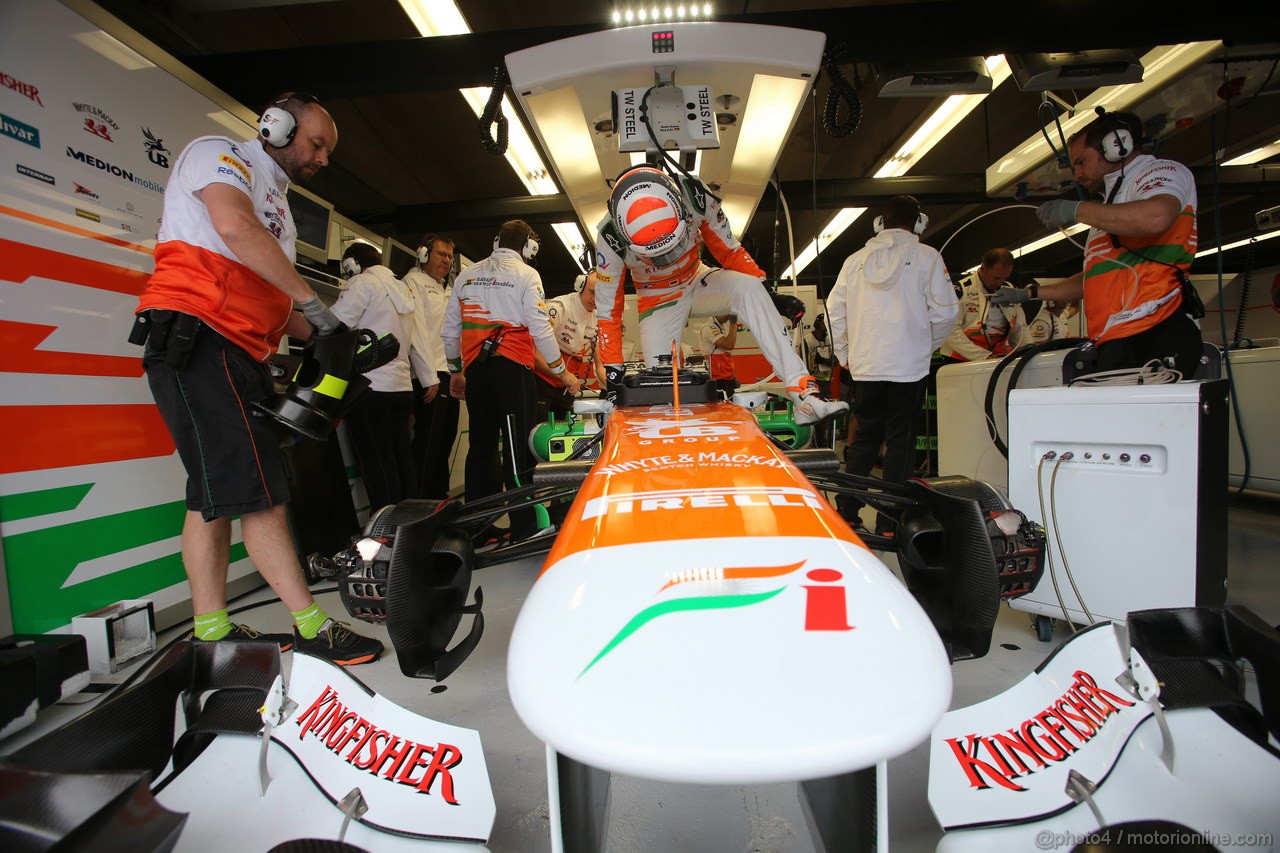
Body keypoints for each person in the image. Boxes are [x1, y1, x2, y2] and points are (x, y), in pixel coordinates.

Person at [132, 92, 382, 665]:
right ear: (278, 125)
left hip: (232, 350)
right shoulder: (222, 156)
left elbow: (270, 292)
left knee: (211, 494)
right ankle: (311, 626)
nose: (322, 157)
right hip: (199, 338)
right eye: (316, 142)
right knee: (261, 493)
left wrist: (329, 334)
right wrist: (315, 307)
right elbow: (234, 227)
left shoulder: (279, 202)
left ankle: (212, 630)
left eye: (328, 151)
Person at [593, 165, 847, 426]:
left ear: (680, 208)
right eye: (657, 255)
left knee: (749, 287)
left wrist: (768, 293)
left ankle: (803, 393)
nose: (667, 258)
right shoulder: (609, 237)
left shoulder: (696, 196)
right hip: (657, 297)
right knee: (661, 385)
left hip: (699, 277)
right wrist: (613, 370)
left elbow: (730, 251)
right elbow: (608, 309)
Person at [990, 110, 1203, 377]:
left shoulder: (1161, 172)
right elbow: (1095, 278)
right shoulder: (1110, 208)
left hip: (1156, 330)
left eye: (1081, 162)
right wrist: (1030, 294)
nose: (1077, 174)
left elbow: (1157, 216)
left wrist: (1077, 210)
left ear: (1116, 146)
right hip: (1118, 338)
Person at [442, 220, 581, 545]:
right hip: (513, 371)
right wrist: (562, 371)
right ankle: (523, 528)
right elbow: (541, 329)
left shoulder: (466, 275)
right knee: (517, 450)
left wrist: (455, 371)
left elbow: (450, 329)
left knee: (481, 449)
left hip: (476, 370)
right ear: (528, 248)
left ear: (495, 242)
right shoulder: (526, 275)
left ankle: (478, 529)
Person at [828, 196, 959, 533]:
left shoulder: (854, 261)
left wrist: (846, 355)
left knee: (864, 439)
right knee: (901, 441)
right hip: (909, 369)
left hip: (867, 366)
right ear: (918, 224)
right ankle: (891, 519)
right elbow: (946, 312)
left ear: (879, 224)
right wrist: (924, 347)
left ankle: (848, 515)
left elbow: (834, 312)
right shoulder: (928, 257)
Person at [331, 241, 437, 511]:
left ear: (352, 265)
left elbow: (335, 326)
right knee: (402, 457)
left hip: (370, 388)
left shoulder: (362, 283)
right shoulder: (404, 289)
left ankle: (387, 531)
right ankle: (410, 522)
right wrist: (429, 378)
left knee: (378, 462)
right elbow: (419, 338)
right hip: (401, 389)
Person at [403, 233, 459, 499]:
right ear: (424, 254)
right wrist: (428, 378)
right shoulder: (412, 282)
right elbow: (417, 333)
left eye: (449, 256)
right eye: (441, 254)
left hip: (448, 375)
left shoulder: (446, 289)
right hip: (430, 378)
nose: (446, 261)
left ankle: (439, 500)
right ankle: (420, 503)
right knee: (427, 445)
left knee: (444, 443)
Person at [534, 270, 607, 421]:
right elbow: (533, 349)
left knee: (566, 432)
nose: (595, 299)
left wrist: (613, 385)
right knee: (536, 433)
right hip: (540, 381)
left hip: (566, 385)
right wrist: (562, 374)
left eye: (600, 295)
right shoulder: (559, 307)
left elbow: (600, 365)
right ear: (580, 285)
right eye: (592, 292)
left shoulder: (596, 318)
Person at [940, 248, 1022, 362]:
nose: (1000, 282)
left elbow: (1020, 329)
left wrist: (1029, 351)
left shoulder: (1010, 290)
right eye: (997, 277)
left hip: (998, 358)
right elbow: (950, 331)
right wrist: (984, 356)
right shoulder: (960, 290)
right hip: (961, 359)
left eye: (1005, 278)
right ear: (983, 268)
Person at [698, 313, 739, 399]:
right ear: (717, 311)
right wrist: (733, 323)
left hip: (727, 377)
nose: (728, 316)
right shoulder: (709, 328)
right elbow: (729, 345)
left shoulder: (722, 327)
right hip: (717, 379)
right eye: (725, 313)